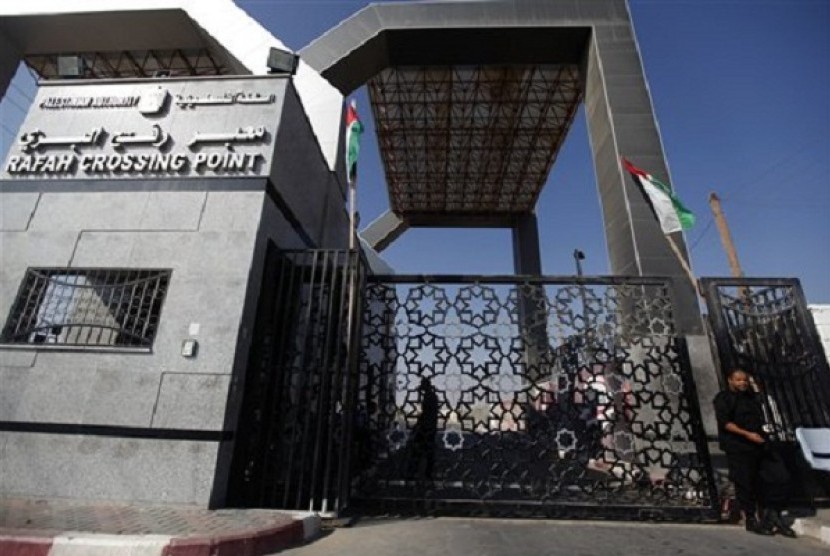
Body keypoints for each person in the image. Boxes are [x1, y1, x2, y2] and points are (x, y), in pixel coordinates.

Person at [713, 368, 796, 537]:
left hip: (760, 444)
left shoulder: (752, 398)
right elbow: (726, 423)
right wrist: (747, 435)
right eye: (738, 380)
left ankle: (773, 513)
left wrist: (756, 389)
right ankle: (751, 519)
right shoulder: (724, 398)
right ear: (730, 380)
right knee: (745, 482)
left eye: (745, 380)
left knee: (780, 477)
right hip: (738, 446)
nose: (742, 383)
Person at [408, 377, 439, 479]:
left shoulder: (429, 396)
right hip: (429, 426)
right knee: (426, 449)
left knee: (421, 448)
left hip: (427, 427)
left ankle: (419, 471)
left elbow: (427, 413)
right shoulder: (430, 395)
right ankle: (425, 472)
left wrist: (418, 425)